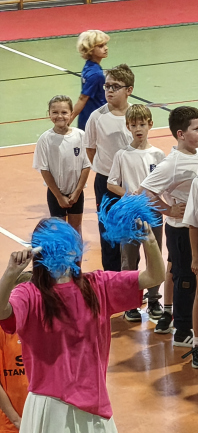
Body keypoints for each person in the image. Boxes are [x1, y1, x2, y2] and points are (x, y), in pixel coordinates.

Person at [0, 218, 164, 433]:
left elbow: (154, 276)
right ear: (40, 252)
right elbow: (2, 311)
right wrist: (10, 273)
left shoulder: (97, 285)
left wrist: (150, 241)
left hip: (92, 401)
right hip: (51, 407)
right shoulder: (29, 293)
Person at [140, 107, 198, 355]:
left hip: (197, 229)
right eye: (196, 128)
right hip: (181, 231)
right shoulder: (173, 162)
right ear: (181, 134)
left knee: (190, 277)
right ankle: (183, 331)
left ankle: (189, 322)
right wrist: (169, 209)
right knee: (185, 279)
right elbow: (145, 191)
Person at [106, 104, 165, 323]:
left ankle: (154, 299)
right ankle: (130, 303)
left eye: (142, 124)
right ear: (128, 127)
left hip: (153, 213)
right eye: (133, 125)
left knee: (154, 255)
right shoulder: (122, 155)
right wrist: (128, 195)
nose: (138, 128)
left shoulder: (158, 154)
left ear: (150, 125)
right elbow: (111, 183)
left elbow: (163, 183)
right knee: (129, 259)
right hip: (129, 214)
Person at [84, 64, 135, 272]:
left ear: (129, 90)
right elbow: (90, 149)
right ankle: (111, 278)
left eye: (115, 86)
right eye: (107, 86)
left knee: (132, 236)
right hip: (106, 183)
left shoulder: (136, 115)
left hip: (132, 182)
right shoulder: (97, 117)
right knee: (109, 235)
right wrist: (107, 169)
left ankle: (131, 277)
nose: (109, 91)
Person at [0, 272, 40, 433]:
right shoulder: (3, 330)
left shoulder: (43, 328)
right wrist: (16, 420)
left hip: (39, 418)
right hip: (12, 421)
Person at [32, 95, 91, 236]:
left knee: (76, 229)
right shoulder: (45, 139)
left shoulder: (80, 136)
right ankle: (62, 252)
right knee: (59, 232)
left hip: (76, 193)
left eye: (64, 112)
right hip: (55, 194)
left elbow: (86, 166)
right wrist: (59, 196)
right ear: (49, 114)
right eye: (55, 112)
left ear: (71, 113)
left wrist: (77, 192)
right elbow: (44, 170)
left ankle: (76, 252)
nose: (60, 116)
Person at [70, 30, 109, 130]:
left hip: (87, 116)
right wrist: (68, 121)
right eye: (101, 46)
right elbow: (83, 98)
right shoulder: (96, 74)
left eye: (105, 44)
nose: (106, 48)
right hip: (96, 121)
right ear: (90, 50)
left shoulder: (89, 66)